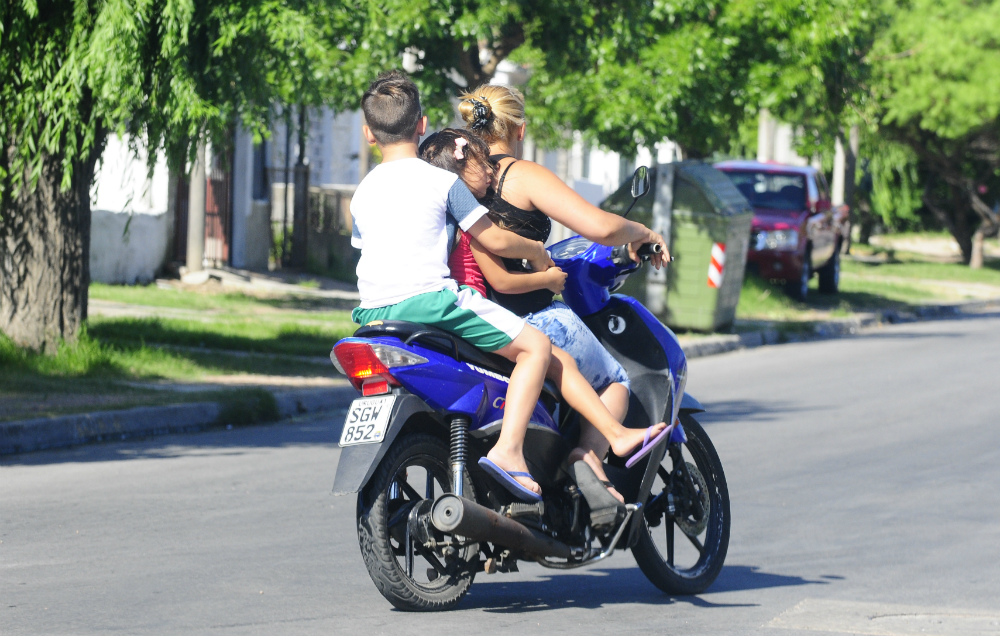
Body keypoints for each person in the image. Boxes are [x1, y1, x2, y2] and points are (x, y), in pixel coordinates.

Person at [419, 128, 668, 502]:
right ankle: (599, 444)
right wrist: (546, 274)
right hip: (478, 308)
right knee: (605, 374)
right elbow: (502, 279)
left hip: (452, 311)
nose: (491, 171)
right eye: (482, 162)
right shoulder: (475, 222)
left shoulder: (440, 218)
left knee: (556, 359)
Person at [349, 71, 553, 501]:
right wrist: (535, 250)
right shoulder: (444, 183)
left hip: (370, 314)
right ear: (422, 125)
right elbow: (493, 238)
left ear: (368, 134)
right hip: (430, 303)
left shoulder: (362, 193)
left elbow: (365, 248)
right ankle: (510, 452)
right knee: (536, 348)